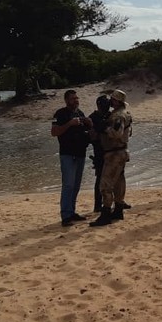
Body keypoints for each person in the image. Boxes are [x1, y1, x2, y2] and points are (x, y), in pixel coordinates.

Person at [90, 89, 132, 227]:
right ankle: (118, 210)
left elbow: (116, 133)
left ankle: (106, 213)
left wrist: (104, 128)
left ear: (116, 101)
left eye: (112, 100)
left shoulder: (117, 116)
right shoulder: (125, 113)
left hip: (114, 152)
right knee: (119, 182)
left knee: (105, 185)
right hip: (120, 151)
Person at [51, 90, 93, 227]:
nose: (76, 100)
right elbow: (54, 132)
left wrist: (89, 123)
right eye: (72, 98)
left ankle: (72, 211)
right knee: (68, 184)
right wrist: (70, 124)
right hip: (67, 154)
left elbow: (88, 132)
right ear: (66, 100)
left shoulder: (80, 113)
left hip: (80, 153)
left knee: (76, 185)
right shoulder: (60, 114)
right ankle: (65, 215)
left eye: (77, 98)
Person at [88, 94, 111, 212]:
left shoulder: (110, 115)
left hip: (110, 151)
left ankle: (115, 202)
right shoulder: (93, 117)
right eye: (103, 104)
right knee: (100, 179)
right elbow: (90, 136)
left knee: (114, 177)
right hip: (99, 151)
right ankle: (98, 204)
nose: (105, 106)